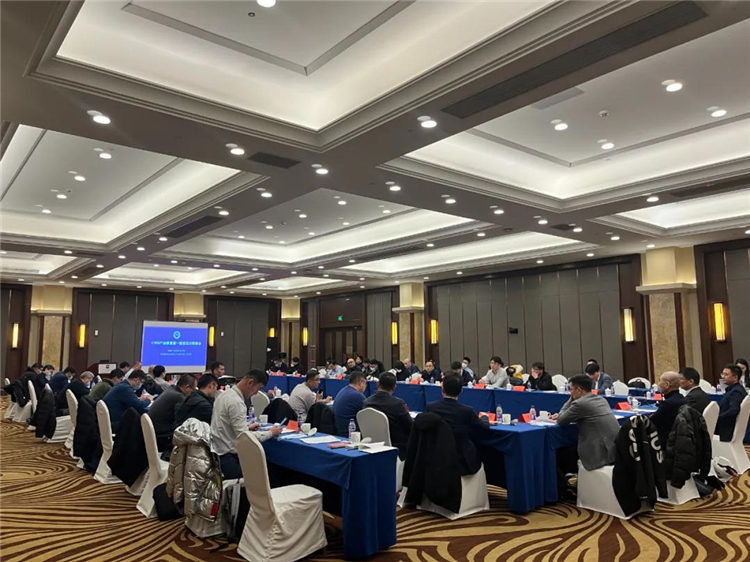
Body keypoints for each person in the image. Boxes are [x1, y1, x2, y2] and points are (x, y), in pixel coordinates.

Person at [211, 370, 282, 479]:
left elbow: (226, 426)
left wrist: (247, 428)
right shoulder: (236, 402)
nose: (256, 393)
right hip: (229, 461)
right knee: (275, 470)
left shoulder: (223, 395)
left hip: (217, 456)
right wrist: (271, 433)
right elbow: (244, 438)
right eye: (258, 389)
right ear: (250, 383)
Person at [550, 374, 620, 470]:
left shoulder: (579, 403)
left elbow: (561, 421)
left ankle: (569, 476)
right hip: (613, 448)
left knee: (564, 452)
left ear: (579, 390)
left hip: (598, 452)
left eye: (571, 389)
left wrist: (570, 400)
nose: (570, 392)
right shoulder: (601, 399)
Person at [424, 374, 489, 475]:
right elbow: (484, 429)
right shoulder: (467, 411)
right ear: (461, 391)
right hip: (462, 460)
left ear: (442, 389)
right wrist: (485, 418)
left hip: (436, 457)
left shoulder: (431, 408)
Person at [362, 371, 413, 459]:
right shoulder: (397, 404)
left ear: (378, 384)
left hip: (371, 447)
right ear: (394, 387)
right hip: (397, 448)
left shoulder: (366, 402)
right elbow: (410, 426)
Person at [148, 374, 196, 451]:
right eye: (193, 389)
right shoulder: (178, 396)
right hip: (163, 436)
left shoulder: (171, 389)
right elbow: (183, 418)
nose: (193, 392)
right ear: (187, 387)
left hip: (156, 431)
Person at [649, 372, 686, 447]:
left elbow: (652, 422)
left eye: (660, 381)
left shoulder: (667, 404)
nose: (658, 384)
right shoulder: (683, 399)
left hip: (666, 441)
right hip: (680, 439)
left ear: (667, 385)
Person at [716, 364, 748, 442]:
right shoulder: (733, 390)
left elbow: (733, 411)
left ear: (735, 377)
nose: (723, 377)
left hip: (728, 429)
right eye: (722, 374)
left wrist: (717, 418)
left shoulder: (736, 392)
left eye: (726, 375)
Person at [332, 371, 367, 436]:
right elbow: (369, 416)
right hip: (349, 434)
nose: (366, 386)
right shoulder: (357, 396)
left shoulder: (343, 390)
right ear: (360, 383)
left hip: (338, 431)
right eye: (365, 383)